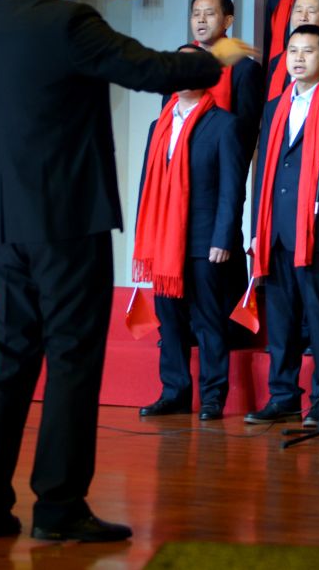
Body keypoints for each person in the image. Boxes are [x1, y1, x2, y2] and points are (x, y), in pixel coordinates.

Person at [0, 0, 254, 543]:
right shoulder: (68, 21)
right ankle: (59, 506)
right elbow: (151, 70)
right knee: (71, 357)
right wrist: (216, 57)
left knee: (10, 356)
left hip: (4, 220)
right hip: (68, 218)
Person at [245, 25, 319, 430]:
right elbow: (265, 170)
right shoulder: (274, 107)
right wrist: (257, 228)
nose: (297, 58)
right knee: (280, 321)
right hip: (278, 229)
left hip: (317, 230)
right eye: (292, 51)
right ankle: (282, 397)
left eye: (307, 51)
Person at [132, 47, 247, 423]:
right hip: (163, 241)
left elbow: (233, 188)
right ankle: (174, 392)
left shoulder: (224, 124)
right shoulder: (159, 126)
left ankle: (213, 396)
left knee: (208, 319)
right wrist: (144, 237)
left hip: (203, 239)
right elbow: (147, 187)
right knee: (170, 320)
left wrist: (223, 237)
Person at [189, 0, 265, 158]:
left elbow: (247, 133)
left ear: (227, 21)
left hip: (220, 162)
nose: (201, 20)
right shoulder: (180, 63)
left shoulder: (244, 68)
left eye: (209, 14)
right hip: (178, 160)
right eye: (196, 14)